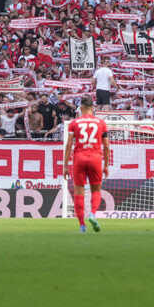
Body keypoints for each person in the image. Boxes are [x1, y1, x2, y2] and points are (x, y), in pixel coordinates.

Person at [63, 97, 110, 233]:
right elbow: (106, 145)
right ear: (93, 107)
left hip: (79, 158)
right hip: (95, 158)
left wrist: (65, 166)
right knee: (96, 189)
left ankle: (82, 225)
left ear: (81, 108)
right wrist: (106, 165)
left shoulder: (74, 123)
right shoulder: (101, 123)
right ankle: (93, 214)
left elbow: (68, 145)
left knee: (79, 191)